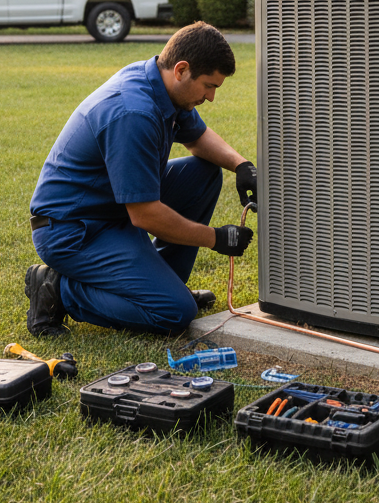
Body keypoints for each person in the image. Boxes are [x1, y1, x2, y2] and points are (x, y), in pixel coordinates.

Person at [24, 21, 258, 337]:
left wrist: (242, 166)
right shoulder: (133, 112)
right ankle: (58, 289)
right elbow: (144, 214)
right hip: (74, 230)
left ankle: (163, 284)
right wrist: (216, 238)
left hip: (111, 210)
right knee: (175, 313)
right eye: (209, 85)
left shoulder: (161, 86)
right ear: (181, 69)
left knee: (202, 174)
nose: (211, 96)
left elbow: (197, 137)